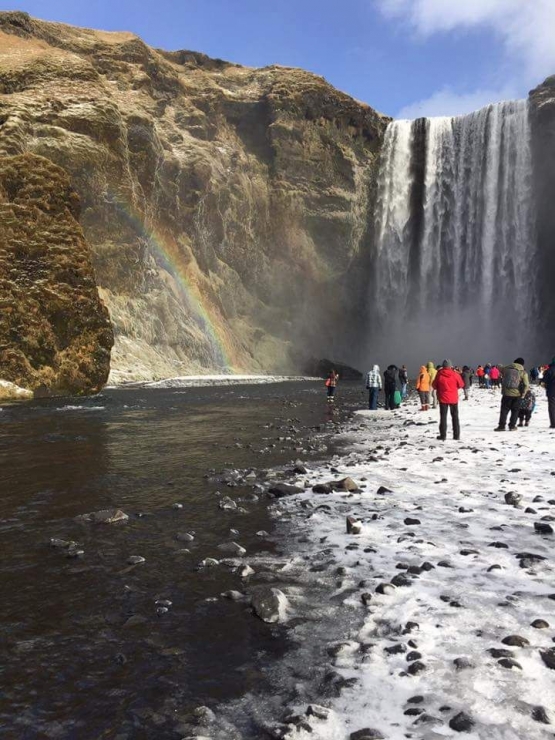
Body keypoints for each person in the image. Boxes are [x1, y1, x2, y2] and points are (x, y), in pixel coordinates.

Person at [433, 359, 464, 440]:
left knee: (443, 417)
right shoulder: (455, 374)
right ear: (450, 366)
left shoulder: (439, 374)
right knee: (455, 416)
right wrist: (454, 387)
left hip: (443, 398)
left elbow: (434, 385)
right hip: (453, 398)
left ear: (443, 366)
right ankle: (456, 435)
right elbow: (461, 384)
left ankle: (443, 435)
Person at [494, 358, 529, 431]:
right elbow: (526, 385)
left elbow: (499, 368)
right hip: (517, 394)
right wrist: (523, 394)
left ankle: (501, 426)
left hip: (506, 394)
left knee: (504, 410)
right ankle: (512, 426)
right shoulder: (523, 372)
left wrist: (499, 365)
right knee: (515, 411)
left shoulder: (506, 369)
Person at [541, 357, 555, 428]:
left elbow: (543, 382)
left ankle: (553, 424)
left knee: (552, 408)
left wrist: (547, 387)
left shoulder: (549, 370)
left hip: (551, 392)